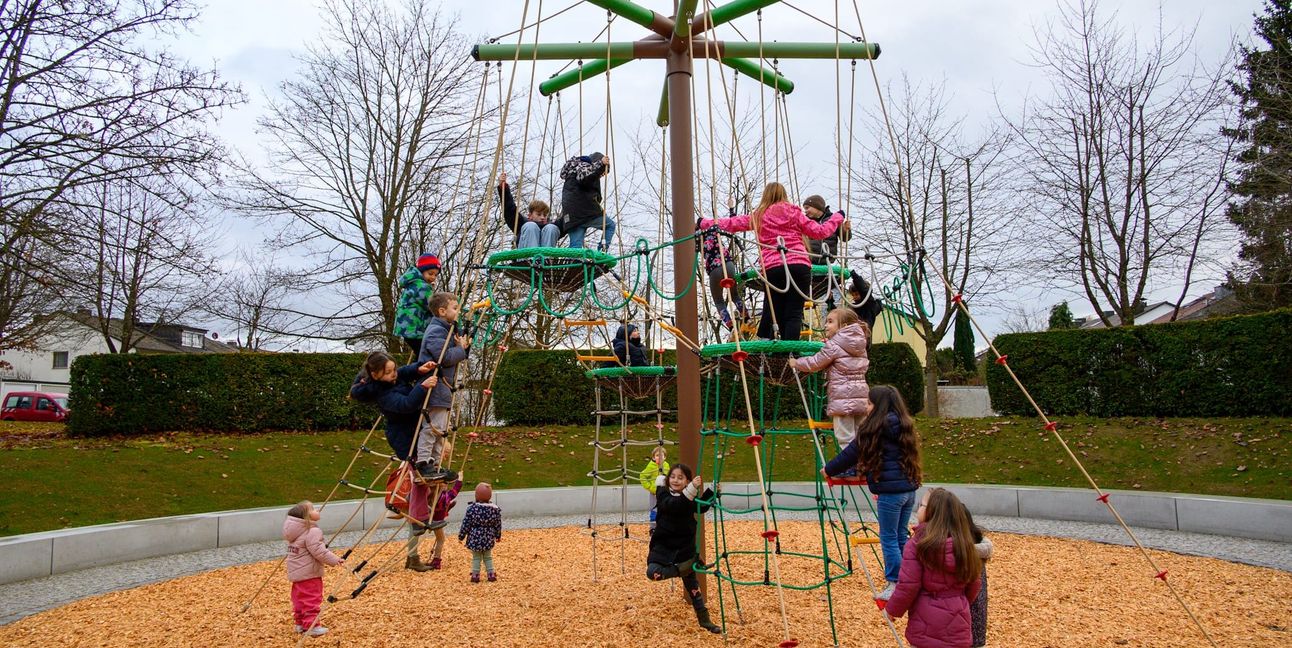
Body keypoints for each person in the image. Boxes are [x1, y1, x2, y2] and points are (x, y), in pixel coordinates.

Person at [698, 182, 845, 340]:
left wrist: (703, 223)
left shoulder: (760, 215)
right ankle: (791, 353)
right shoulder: (795, 213)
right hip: (798, 265)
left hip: (773, 268)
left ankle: (778, 351)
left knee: (776, 311)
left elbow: (732, 224)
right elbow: (821, 231)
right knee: (794, 312)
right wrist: (838, 217)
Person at [821, 385, 922, 600]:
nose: (866, 408)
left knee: (888, 537)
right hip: (908, 489)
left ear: (878, 406)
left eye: (869, 403)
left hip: (890, 492)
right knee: (901, 535)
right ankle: (910, 578)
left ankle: (895, 583)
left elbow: (851, 453)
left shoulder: (875, 427)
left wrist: (828, 469)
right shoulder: (903, 424)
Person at [347, 351, 443, 572]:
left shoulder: (390, 377)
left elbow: (403, 372)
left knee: (424, 479)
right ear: (376, 374)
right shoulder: (381, 393)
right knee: (420, 481)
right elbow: (406, 404)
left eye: (393, 369)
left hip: (414, 432)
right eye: (388, 372)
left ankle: (416, 514)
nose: (393, 374)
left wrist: (420, 368)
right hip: (405, 438)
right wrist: (423, 386)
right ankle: (415, 532)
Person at [884, 488, 983, 648]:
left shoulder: (918, 545)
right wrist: (958, 600)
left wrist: (893, 609)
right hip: (958, 624)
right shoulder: (964, 545)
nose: (918, 508)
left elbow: (908, 585)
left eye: (922, 505)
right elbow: (975, 582)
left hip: (926, 625)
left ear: (932, 512)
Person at [647, 463, 721, 634]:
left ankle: (705, 620)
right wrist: (691, 489)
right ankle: (685, 568)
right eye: (672, 477)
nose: (675, 480)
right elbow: (674, 505)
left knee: (694, 589)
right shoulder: (663, 493)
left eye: (680, 478)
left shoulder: (689, 498)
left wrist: (712, 490)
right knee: (653, 573)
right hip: (663, 548)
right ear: (666, 479)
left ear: (687, 480)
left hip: (683, 548)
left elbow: (701, 506)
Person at [789, 308, 871, 455]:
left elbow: (815, 363)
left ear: (844, 326)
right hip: (861, 397)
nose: (826, 325)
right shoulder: (860, 345)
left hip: (842, 397)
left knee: (845, 436)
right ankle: (864, 465)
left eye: (830, 322)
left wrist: (797, 363)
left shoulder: (833, 346)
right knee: (861, 434)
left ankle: (850, 467)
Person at [416, 292, 470, 484]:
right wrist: (461, 349)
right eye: (455, 308)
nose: (458, 312)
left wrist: (462, 345)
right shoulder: (435, 332)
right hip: (436, 385)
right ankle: (424, 463)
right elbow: (444, 358)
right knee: (433, 427)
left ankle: (436, 465)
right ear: (441, 311)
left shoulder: (447, 330)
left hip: (444, 387)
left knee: (441, 430)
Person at [283, 500, 343, 637]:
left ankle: (300, 623)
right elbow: (319, 552)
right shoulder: (312, 531)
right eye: (313, 509)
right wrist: (335, 560)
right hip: (309, 574)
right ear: (306, 517)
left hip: (297, 573)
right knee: (311, 599)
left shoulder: (294, 532)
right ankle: (311, 626)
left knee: (299, 599)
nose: (318, 510)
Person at [700, 198, 749, 330]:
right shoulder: (715, 230)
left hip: (714, 270)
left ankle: (730, 324)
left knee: (718, 300)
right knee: (734, 295)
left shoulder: (698, 238)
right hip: (728, 264)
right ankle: (746, 315)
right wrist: (731, 209)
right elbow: (733, 225)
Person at [558, 152, 616, 251]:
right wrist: (601, 164)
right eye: (602, 173)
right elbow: (585, 177)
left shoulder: (573, 170)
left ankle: (573, 264)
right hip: (585, 212)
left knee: (575, 247)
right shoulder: (585, 166)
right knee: (610, 225)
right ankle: (602, 251)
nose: (601, 175)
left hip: (572, 216)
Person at [392, 252, 441, 354]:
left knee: (420, 354)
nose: (433, 277)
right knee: (425, 354)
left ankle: (418, 368)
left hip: (406, 328)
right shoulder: (421, 286)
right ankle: (419, 369)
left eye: (435, 275)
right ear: (421, 271)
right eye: (430, 274)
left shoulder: (413, 283)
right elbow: (432, 305)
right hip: (414, 328)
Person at [498, 172, 560, 249]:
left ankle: (547, 258)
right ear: (530, 215)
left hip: (544, 258)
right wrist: (503, 188)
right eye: (539, 214)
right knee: (530, 226)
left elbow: (566, 221)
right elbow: (510, 209)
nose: (542, 217)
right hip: (525, 258)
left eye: (544, 215)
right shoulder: (521, 223)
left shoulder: (549, 226)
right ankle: (530, 259)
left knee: (552, 228)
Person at [459, 482, 503, 583]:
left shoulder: (472, 509)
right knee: (488, 557)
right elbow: (497, 524)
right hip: (488, 537)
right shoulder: (494, 509)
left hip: (475, 537)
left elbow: (466, 523)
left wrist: (461, 536)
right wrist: (498, 535)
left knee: (476, 557)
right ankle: (491, 574)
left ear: (476, 495)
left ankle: (475, 575)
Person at [964, 505, 993, 648]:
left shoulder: (964, 555)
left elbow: (973, 588)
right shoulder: (977, 549)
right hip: (976, 622)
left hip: (964, 619)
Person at [802, 195, 851, 262]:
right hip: (810, 258)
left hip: (828, 258)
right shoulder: (806, 222)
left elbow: (845, 238)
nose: (805, 211)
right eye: (805, 209)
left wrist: (846, 230)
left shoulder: (833, 220)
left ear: (817, 206)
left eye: (807, 208)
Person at [638, 445, 670, 534]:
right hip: (654, 493)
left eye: (661, 455)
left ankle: (663, 526)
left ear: (665, 457)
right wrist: (651, 488)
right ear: (653, 457)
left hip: (664, 492)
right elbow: (642, 476)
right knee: (654, 509)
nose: (659, 457)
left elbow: (669, 477)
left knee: (665, 509)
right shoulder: (651, 466)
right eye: (657, 455)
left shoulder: (666, 466)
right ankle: (653, 528)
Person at [846, 270, 884, 338]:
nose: (854, 297)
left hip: (863, 338)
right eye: (853, 295)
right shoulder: (853, 307)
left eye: (857, 294)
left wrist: (855, 276)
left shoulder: (869, 305)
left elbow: (864, 291)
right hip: (852, 338)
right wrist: (830, 301)